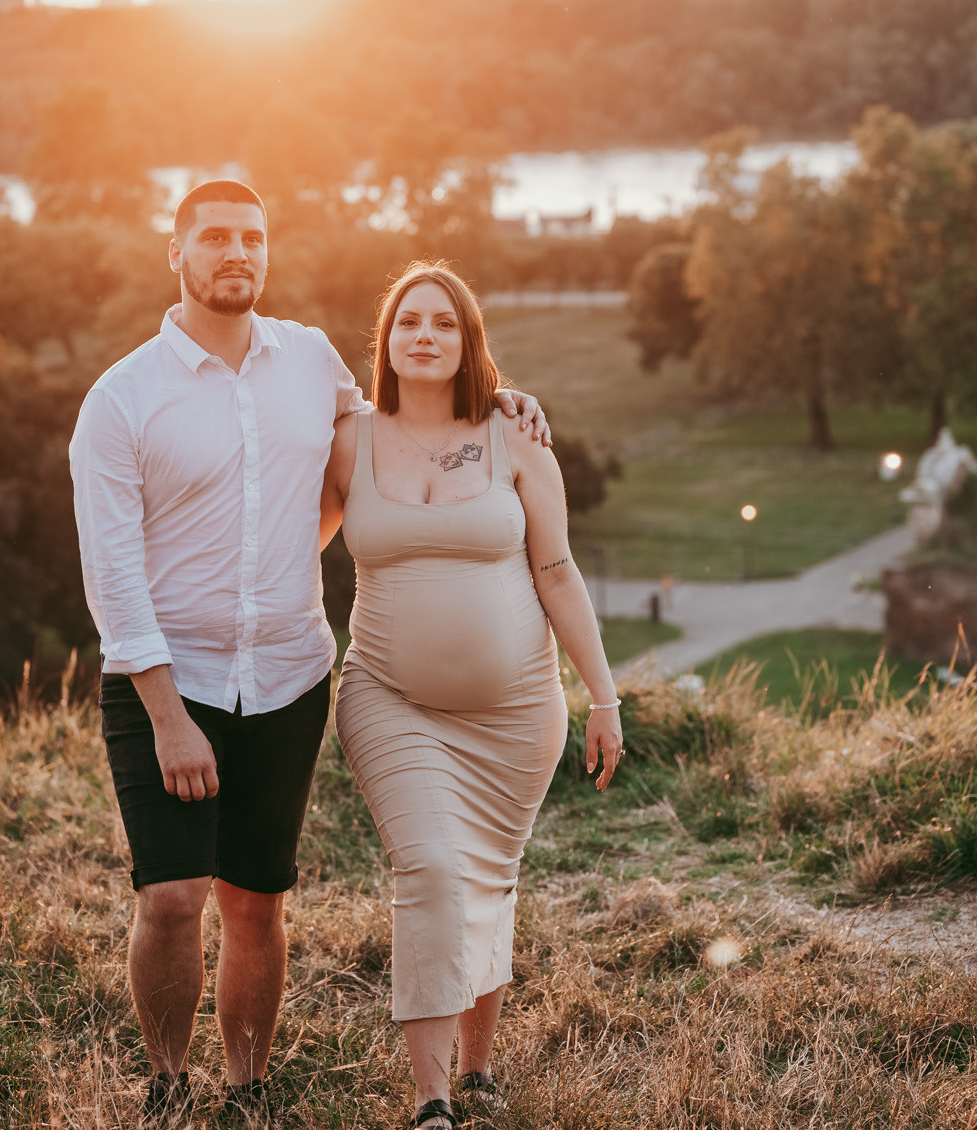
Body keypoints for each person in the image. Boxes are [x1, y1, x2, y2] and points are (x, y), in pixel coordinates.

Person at [68, 183, 550, 1124]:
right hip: (170, 683)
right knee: (172, 896)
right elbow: (113, 577)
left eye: (251, 237)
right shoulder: (122, 398)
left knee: (257, 903)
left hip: (289, 676)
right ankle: (169, 1090)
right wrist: (170, 716)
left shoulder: (311, 362)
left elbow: (392, 437)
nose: (235, 252)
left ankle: (246, 1092)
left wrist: (497, 405)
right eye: (214, 237)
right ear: (177, 254)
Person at [320, 262, 626, 1130]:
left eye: (443, 323)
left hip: (517, 710)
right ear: (385, 342)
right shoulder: (350, 439)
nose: (424, 335)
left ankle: (483, 1065)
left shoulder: (515, 435)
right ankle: (432, 1098)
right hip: (387, 695)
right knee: (431, 868)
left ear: (467, 341)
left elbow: (558, 572)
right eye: (408, 321)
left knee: (489, 875)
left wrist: (603, 697)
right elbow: (287, 539)